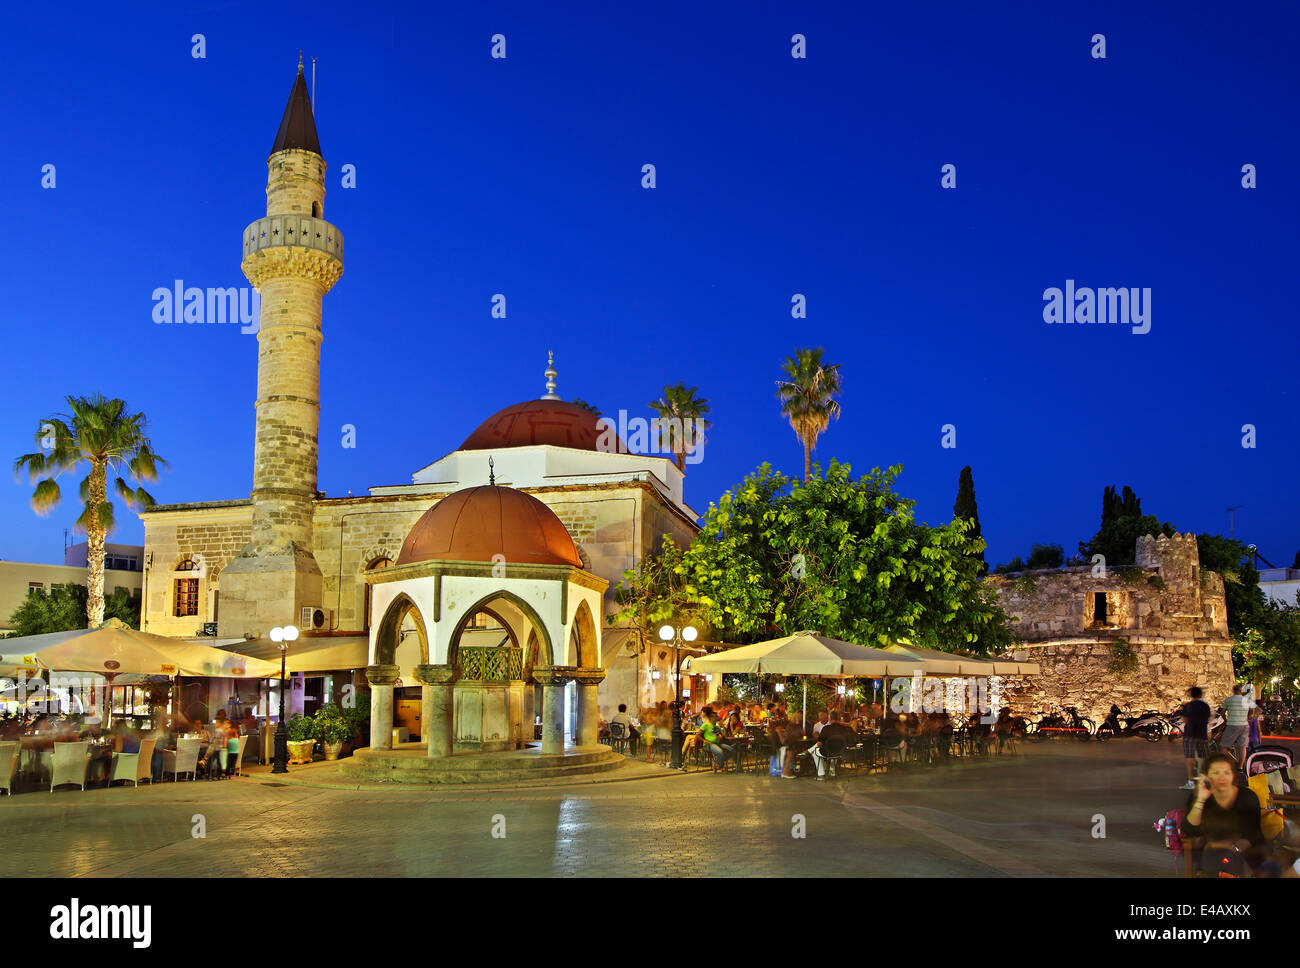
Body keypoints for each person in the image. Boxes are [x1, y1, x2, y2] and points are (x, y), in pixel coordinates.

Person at [1180, 752, 1265, 876]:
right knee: (1215, 860)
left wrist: (1234, 848)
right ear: (1206, 776)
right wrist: (1201, 800)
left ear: (1233, 775)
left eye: (1227, 772)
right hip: (1210, 851)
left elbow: (1254, 833)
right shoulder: (1199, 797)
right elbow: (1190, 829)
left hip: (1244, 849)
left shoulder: (1247, 797)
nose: (1222, 778)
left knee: (1230, 861)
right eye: (1216, 773)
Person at [1177, 686, 1212, 790]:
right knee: (1203, 757)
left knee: (1190, 758)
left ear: (1191, 695)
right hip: (1202, 734)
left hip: (1190, 734)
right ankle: (1203, 780)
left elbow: (1185, 720)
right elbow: (1208, 718)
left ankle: (1191, 781)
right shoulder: (1206, 706)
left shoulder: (1188, 706)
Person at [808, 711, 853, 779]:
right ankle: (832, 771)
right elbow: (851, 740)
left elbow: (820, 743)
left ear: (830, 718)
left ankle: (821, 774)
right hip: (842, 751)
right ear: (839, 719)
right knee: (834, 750)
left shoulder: (826, 728)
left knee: (815, 752)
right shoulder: (845, 728)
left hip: (828, 752)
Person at [1220, 685, 1249, 763]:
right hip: (1244, 725)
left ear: (1234, 691)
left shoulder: (1229, 700)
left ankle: (1224, 764)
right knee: (1242, 747)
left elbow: (1222, 712)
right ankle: (1240, 767)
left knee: (1224, 746)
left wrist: (1226, 721)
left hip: (1232, 724)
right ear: (1241, 691)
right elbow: (1251, 713)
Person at [697, 707, 732, 772]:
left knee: (731, 749)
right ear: (711, 718)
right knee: (720, 752)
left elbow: (724, 734)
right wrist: (704, 740)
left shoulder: (716, 726)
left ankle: (717, 761)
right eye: (715, 717)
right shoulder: (705, 725)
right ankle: (720, 766)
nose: (716, 719)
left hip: (718, 743)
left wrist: (722, 727)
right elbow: (698, 735)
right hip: (709, 744)